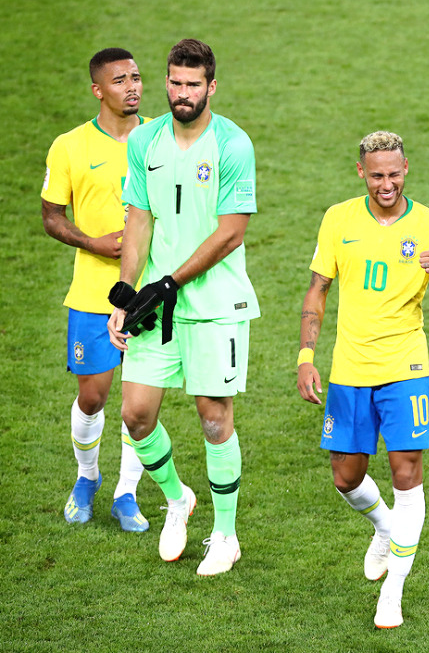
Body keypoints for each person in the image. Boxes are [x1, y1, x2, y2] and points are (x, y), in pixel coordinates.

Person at [297, 131, 429, 628]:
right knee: (346, 477)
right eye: (377, 175)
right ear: (361, 173)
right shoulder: (338, 218)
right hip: (349, 369)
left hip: (406, 368)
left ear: (406, 168)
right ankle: (383, 527)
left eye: (395, 174)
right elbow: (317, 291)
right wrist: (306, 356)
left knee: (406, 473)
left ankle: (392, 592)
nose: (387, 183)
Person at [107, 38, 260, 576]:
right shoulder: (144, 140)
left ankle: (225, 535)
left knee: (214, 420)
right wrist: (127, 293)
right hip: (156, 304)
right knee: (136, 414)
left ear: (211, 87)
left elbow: (232, 233)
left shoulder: (233, 145)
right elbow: (138, 220)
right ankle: (177, 499)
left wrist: (171, 281)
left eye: (193, 85)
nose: (182, 93)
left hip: (217, 304)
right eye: (175, 82)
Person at [41, 48, 152, 532]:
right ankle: (87, 477)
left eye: (136, 77)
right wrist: (93, 242)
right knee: (94, 397)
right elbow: (51, 217)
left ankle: (127, 494)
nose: (132, 87)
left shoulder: (161, 139)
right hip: (92, 293)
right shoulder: (68, 146)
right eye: (120, 80)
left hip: (151, 294)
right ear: (98, 89)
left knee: (138, 404)